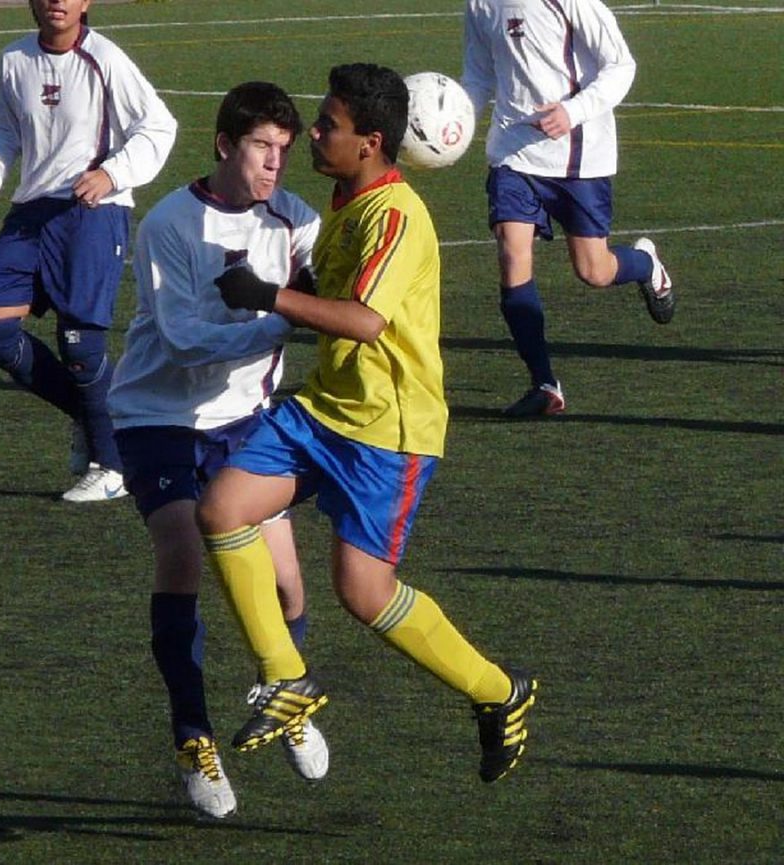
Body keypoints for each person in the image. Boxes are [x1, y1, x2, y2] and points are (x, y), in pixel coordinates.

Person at [195, 63, 537, 786]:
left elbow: (364, 320)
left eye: (328, 126)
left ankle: (497, 691)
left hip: (390, 429)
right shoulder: (347, 198)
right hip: (327, 406)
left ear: (371, 142)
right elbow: (338, 292)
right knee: (223, 506)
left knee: (363, 591)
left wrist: (267, 294)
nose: (312, 133)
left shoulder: (396, 214)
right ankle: (287, 675)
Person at [106, 81, 328, 820]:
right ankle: (193, 738)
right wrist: (276, 322)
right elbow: (181, 340)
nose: (274, 164)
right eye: (262, 147)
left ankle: (287, 697)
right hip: (158, 413)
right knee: (183, 553)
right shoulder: (169, 223)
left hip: (244, 419)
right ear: (226, 145)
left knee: (290, 585)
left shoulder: (294, 220)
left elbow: (329, 304)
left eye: (284, 151)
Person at [0, 0, 177, 498]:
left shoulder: (105, 58)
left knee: (81, 345)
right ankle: (91, 414)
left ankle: (113, 466)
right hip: (32, 212)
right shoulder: (14, 59)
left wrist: (112, 174)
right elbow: (6, 132)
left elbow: (159, 126)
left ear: (86, 3)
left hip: (93, 213)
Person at [461, 0, 676, 417]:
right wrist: (454, 124)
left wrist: (572, 112)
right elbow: (479, 75)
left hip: (579, 157)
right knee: (511, 252)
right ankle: (544, 384)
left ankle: (647, 265)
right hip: (512, 153)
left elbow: (620, 64)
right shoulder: (479, 3)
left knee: (594, 270)